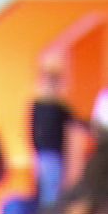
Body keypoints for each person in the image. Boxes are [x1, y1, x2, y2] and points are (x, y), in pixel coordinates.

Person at [30, 56, 84, 206]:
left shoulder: (52, 106)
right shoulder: (47, 105)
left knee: (49, 192)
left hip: (48, 154)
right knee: (50, 194)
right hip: (48, 155)